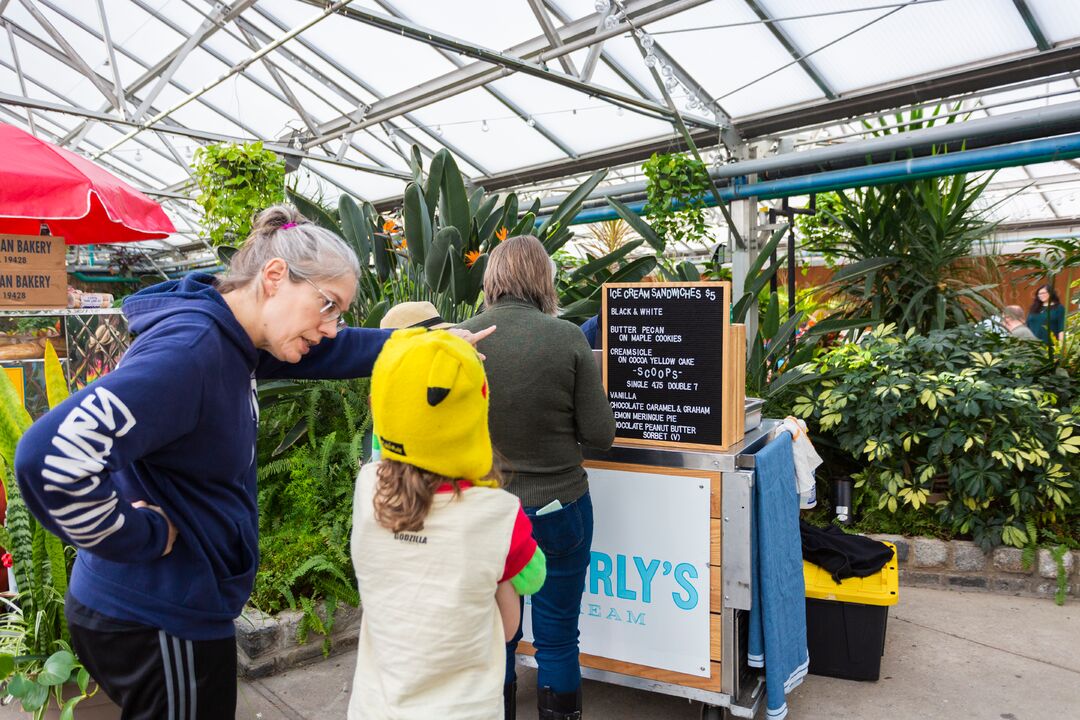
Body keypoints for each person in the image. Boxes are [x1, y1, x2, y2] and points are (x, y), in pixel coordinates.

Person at [12, 205, 492, 719]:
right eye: (325, 305)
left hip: (164, 609)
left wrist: (422, 342)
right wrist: (138, 535)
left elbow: (333, 352)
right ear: (274, 277)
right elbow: (48, 458)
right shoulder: (193, 353)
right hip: (158, 614)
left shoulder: (235, 339)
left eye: (339, 312)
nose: (330, 327)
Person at [349, 328, 546, 719]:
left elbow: (385, 448)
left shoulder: (367, 488)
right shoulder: (497, 515)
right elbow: (516, 613)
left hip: (376, 707)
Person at [459, 235, 615, 720]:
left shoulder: (460, 338)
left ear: (493, 278)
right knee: (559, 634)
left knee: (494, 631)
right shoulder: (566, 337)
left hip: (484, 512)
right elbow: (599, 434)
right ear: (542, 280)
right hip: (558, 509)